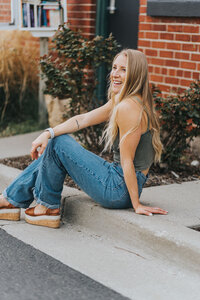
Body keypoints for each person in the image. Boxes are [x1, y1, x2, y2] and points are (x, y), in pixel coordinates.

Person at [0, 49, 168, 228]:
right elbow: (84, 119)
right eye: (114, 68)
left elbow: (127, 161)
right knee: (56, 142)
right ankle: (12, 200)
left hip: (118, 189)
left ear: (136, 74)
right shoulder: (126, 101)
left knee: (59, 143)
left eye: (123, 70)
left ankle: (43, 206)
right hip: (118, 182)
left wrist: (136, 205)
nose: (115, 74)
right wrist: (48, 132)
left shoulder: (128, 107)